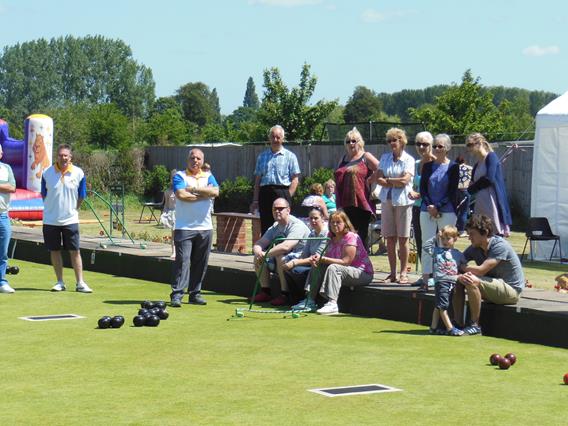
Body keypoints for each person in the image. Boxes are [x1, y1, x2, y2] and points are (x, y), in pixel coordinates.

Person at [453, 214, 525, 335]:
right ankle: (457, 323)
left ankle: (475, 326)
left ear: (485, 233)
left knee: (471, 280)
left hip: (511, 291)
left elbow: (481, 270)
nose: (469, 238)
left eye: (472, 234)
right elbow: (458, 261)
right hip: (493, 287)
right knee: (459, 280)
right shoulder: (475, 247)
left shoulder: (500, 246)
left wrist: (462, 267)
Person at [170, 149, 219, 307]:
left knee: (201, 262)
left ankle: (195, 294)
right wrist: (204, 194)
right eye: (192, 158)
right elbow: (181, 195)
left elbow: (216, 191)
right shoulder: (180, 176)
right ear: (187, 160)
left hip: (205, 227)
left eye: (198, 158)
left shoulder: (208, 176)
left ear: (202, 161)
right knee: (182, 262)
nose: (195, 160)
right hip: (184, 227)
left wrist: (194, 190)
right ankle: (177, 294)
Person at [41, 144, 92, 293]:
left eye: (66, 156)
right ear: (57, 156)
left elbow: (82, 195)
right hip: (50, 220)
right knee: (54, 251)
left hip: (71, 220)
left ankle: (80, 283)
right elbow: (44, 194)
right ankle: (60, 282)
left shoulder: (79, 173)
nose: (63, 158)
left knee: (75, 251)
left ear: (70, 158)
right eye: (60, 155)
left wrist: (73, 209)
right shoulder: (46, 173)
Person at [417, 134, 459, 291]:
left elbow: (452, 191)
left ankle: (445, 280)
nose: (436, 149)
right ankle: (425, 280)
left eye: (440, 146)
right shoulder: (427, 166)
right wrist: (429, 205)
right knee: (427, 244)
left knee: (446, 245)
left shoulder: (453, 167)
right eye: (434, 146)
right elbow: (423, 188)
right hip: (426, 209)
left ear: (447, 148)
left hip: (446, 210)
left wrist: (438, 207)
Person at [374, 127, 414, 284]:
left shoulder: (409, 159)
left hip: (403, 202)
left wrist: (388, 180)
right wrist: (395, 181)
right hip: (387, 201)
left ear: (401, 141)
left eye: (394, 140)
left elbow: (405, 181)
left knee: (403, 239)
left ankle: (404, 272)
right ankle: (392, 273)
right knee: (390, 239)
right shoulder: (384, 157)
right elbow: (378, 179)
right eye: (389, 140)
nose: (392, 143)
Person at [252, 198, 311, 306]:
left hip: (301, 258)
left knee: (279, 255)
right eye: (274, 209)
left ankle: (285, 294)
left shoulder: (297, 225)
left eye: (280, 209)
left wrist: (265, 254)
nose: (277, 211)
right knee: (258, 257)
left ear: (288, 210)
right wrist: (258, 251)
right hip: (285, 259)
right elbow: (260, 243)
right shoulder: (275, 226)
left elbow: (286, 246)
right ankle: (266, 292)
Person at [313, 210, 374, 315]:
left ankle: (332, 303)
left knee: (334, 268)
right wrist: (317, 259)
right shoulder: (330, 236)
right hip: (345, 271)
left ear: (345, 223)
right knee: (318, 265)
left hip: (361, 273)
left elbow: (346, 262)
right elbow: (324, 256)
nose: (335, 224)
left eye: (338, 222)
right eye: (332, 222)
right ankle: (309, 299)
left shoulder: (351, 236)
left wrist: (323, 259)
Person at [250, 125, 300, 235]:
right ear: (269, 138)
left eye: (278, 137)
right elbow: (258, 180)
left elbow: (295, 179)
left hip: (282, 192)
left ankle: (283, 249)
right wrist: (255, 200)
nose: (275, 140)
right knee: (266, 224)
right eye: (273, 137)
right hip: (265, 193)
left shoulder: (290, 156)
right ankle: (267, 250)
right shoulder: (262, 156)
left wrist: (287, 196)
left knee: (283, 223)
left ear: (282, 139)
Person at [334, 127, 379, 251]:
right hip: (344, 203)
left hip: (361, 204)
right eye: (348, 141)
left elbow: (382, 169)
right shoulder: (343, 159)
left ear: (359, 142)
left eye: (354, 141)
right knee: (347, 236)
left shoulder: (366, 156)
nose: (351, 144)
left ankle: (363, 266)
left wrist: (372, 179)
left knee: (360, 237)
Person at [282, 206, 329, 310]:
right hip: (310, 263)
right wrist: (290, 260)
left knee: (303, 267)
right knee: (288, 268)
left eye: (316, 218)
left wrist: (295, 262)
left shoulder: (327, 234)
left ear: (323, 218)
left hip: (321, 265)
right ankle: (296, 299)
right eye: (310, 218)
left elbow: (316, 257)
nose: (313, 221)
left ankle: (310, 300)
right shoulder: (312, 234)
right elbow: (304, 255)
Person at [466, 133, 512, 237]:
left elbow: (489, 179)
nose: (468, 148)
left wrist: (473, 187)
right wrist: (470, 189)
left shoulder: (491, 157)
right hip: (480, 202)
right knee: (480, 231)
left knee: (494, 231)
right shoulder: (477, 164)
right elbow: (472, 185)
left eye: (470, 144)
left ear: (479, 143)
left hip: (492, 201)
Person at [424, 225, 466, 336]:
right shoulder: (436, 251)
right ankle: (450, 328)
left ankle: (433, 328)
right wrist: (436, 237)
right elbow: (425, 246)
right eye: (443, 238)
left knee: (439, 305)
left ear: (455, 239)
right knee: (443, 306)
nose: (445, 241)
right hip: (441, 281)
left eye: (448, 238)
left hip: (452, 282)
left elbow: (464, 265)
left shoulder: (458, 253)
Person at [408, 131, 436, 273]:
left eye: (425, 144)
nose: (421, 147)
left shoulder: (436, 163)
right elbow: (411, 184)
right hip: (417, 208)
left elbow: (436, 188)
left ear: (431, 145)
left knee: (432, 243)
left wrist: (419, 194)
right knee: (419, 242)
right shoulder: (416, 163)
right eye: (418, 144)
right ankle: (425, 275)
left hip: (431, 209)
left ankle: (435, 275)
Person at [0, 145, 16, 294]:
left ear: (1, 153)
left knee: (3, 251)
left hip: (3, 215)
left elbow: (12, 188)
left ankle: (2, 281)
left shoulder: (7, 168)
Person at [160, 169, 177, 258]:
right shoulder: (167, 191)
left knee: (182, 234)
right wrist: (164, 214)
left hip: (181, 214)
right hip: (172, 214)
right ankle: (173, 251)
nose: (174, 180)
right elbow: (166, 205)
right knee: (174, 234)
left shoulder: (182, 190)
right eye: (173, 178)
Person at [455, 156, 472, 236]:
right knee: (464, 211)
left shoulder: (454, 168)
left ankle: (452, 228)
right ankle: (461, 230)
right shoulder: (470, 168)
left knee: (454, 211)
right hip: (465, 190)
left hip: (455, 190)